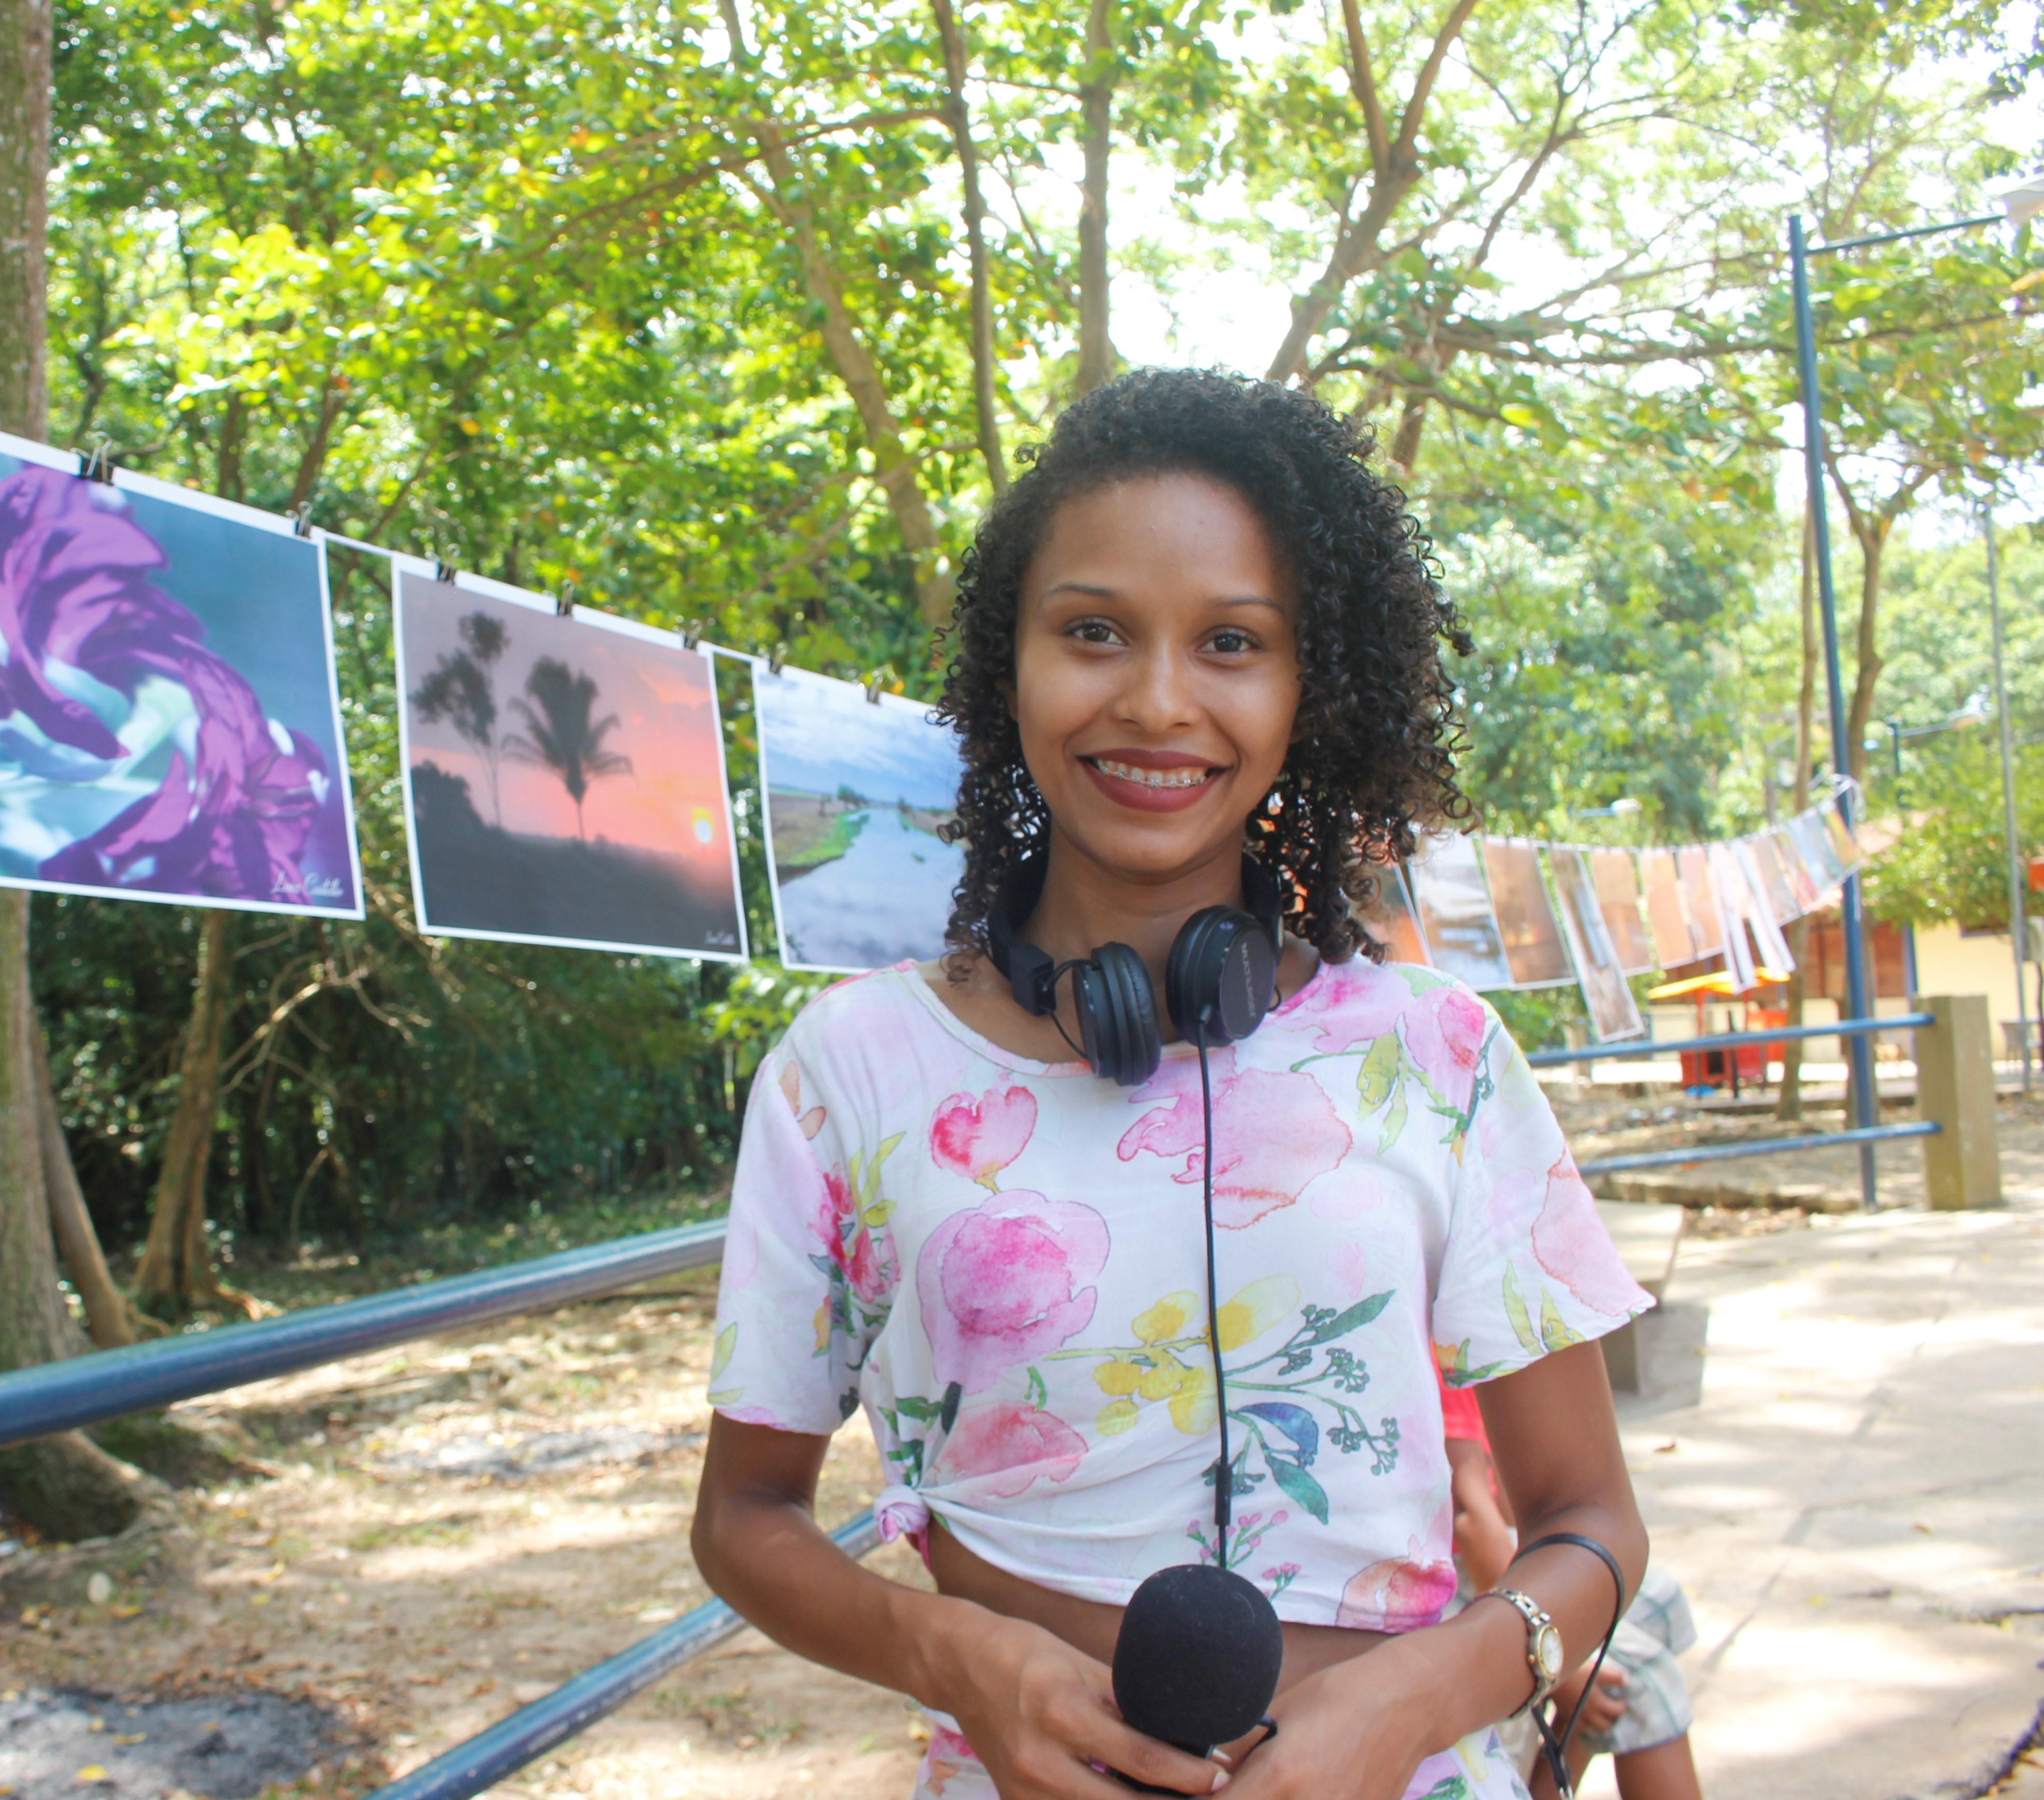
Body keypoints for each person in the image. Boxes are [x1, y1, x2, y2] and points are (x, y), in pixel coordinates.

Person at [688, 368, 1657, 1800]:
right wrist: (953, 1656)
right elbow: (744, 1517)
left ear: (1305, 687)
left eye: (1231, 643)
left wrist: (1409, 1705)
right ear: (1005, 661)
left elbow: (1592, 1521)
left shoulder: (1434, 1053)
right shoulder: (849, 1069)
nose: (1156, 701)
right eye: (1093, 632)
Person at [1440, 1367, 1704, 1800]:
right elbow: (1470, 1519)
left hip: (1514, 1544)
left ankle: (1549, 1782)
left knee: (1660, 1604)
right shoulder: (1442, 1356)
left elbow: (1514, 1500)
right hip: (1459, 1564)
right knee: (1641, 1684)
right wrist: (1560, 1661)